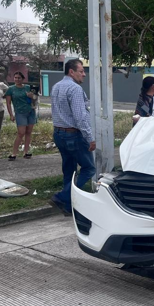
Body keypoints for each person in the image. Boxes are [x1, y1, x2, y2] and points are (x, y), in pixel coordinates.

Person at [50, 59, 96, 216]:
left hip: (58, 133)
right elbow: (80, 117)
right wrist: (90, 137)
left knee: (69, 169)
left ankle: (69, 207)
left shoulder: (56, 86)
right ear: (71, 71)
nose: (84, 74)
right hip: (72, 134)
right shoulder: (74, 89)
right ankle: (62, 196)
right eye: (81, 71)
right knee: (89, 168)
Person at [5, 72, 37, 161]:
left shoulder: (27, 87)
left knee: (28, 132)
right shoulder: (11, 89)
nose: (17, 79)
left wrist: (32, 96)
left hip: (30, 111)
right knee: (21, 132)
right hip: (20, 112)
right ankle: (14, 153)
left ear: (22, 79)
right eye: (15, 78)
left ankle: (26, 152)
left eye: (19, 78)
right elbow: (8, 103)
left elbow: (35, 98)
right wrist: (11, 114)